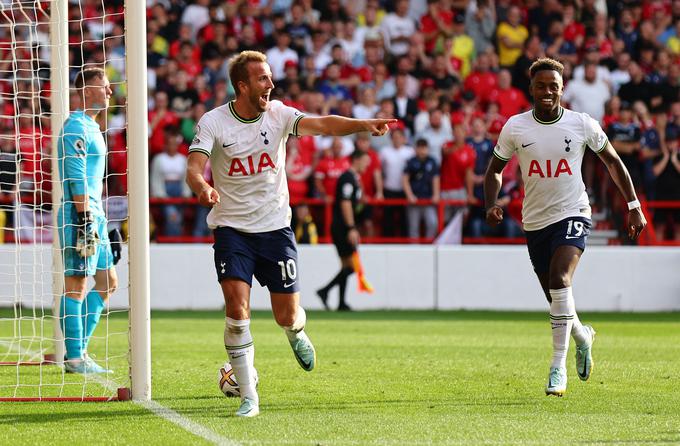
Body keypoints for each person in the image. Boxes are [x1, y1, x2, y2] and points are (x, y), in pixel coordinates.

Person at [185, 51, 395, 417]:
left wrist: (363, 124)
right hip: (231, 229)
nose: (271, 84)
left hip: (276, 228)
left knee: (286, 315)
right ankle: (250, 396)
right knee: (237, 310)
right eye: (263, 79)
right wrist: (203, 188)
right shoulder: (214, 122)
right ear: (243, 85)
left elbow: (324, 125)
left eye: (270, 78)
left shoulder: (279, 114)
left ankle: (296, 332)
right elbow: (193, 167)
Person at [484, 58, 646, 397]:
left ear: (562, 89)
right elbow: (494, 170)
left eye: (553, 86)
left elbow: (614, 162)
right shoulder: (515, 127)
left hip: (574, 212)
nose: (547, 92)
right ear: (531, 88)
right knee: (557, 300)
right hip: (535, 220)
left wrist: (633, 206)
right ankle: (582, 337)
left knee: (560, 280)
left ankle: (557, 367)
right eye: (541, 86)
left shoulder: (581, 123)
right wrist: (491, 203)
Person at [57, 67, 122, 374]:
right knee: (77, 286)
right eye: (104, 86)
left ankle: (80, 350)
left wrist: (104, 224)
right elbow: (76, 177)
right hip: (78, 214)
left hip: (95, 215)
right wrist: (84, 219)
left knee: (108, 282)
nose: (110, 91)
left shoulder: (94, 127)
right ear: (86, 91)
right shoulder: (75, 127)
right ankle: (74, 357)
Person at [316, 149, 372, 312]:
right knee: (351, 266)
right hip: (342, 227)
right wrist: (351, 228)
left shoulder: (353, 178)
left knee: (345, 266)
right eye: (365, 161)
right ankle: (324, 291)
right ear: (356, 160)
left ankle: (341, 302)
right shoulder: (348, 178)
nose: (367, 165)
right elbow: (345, 204)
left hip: (342, 226)